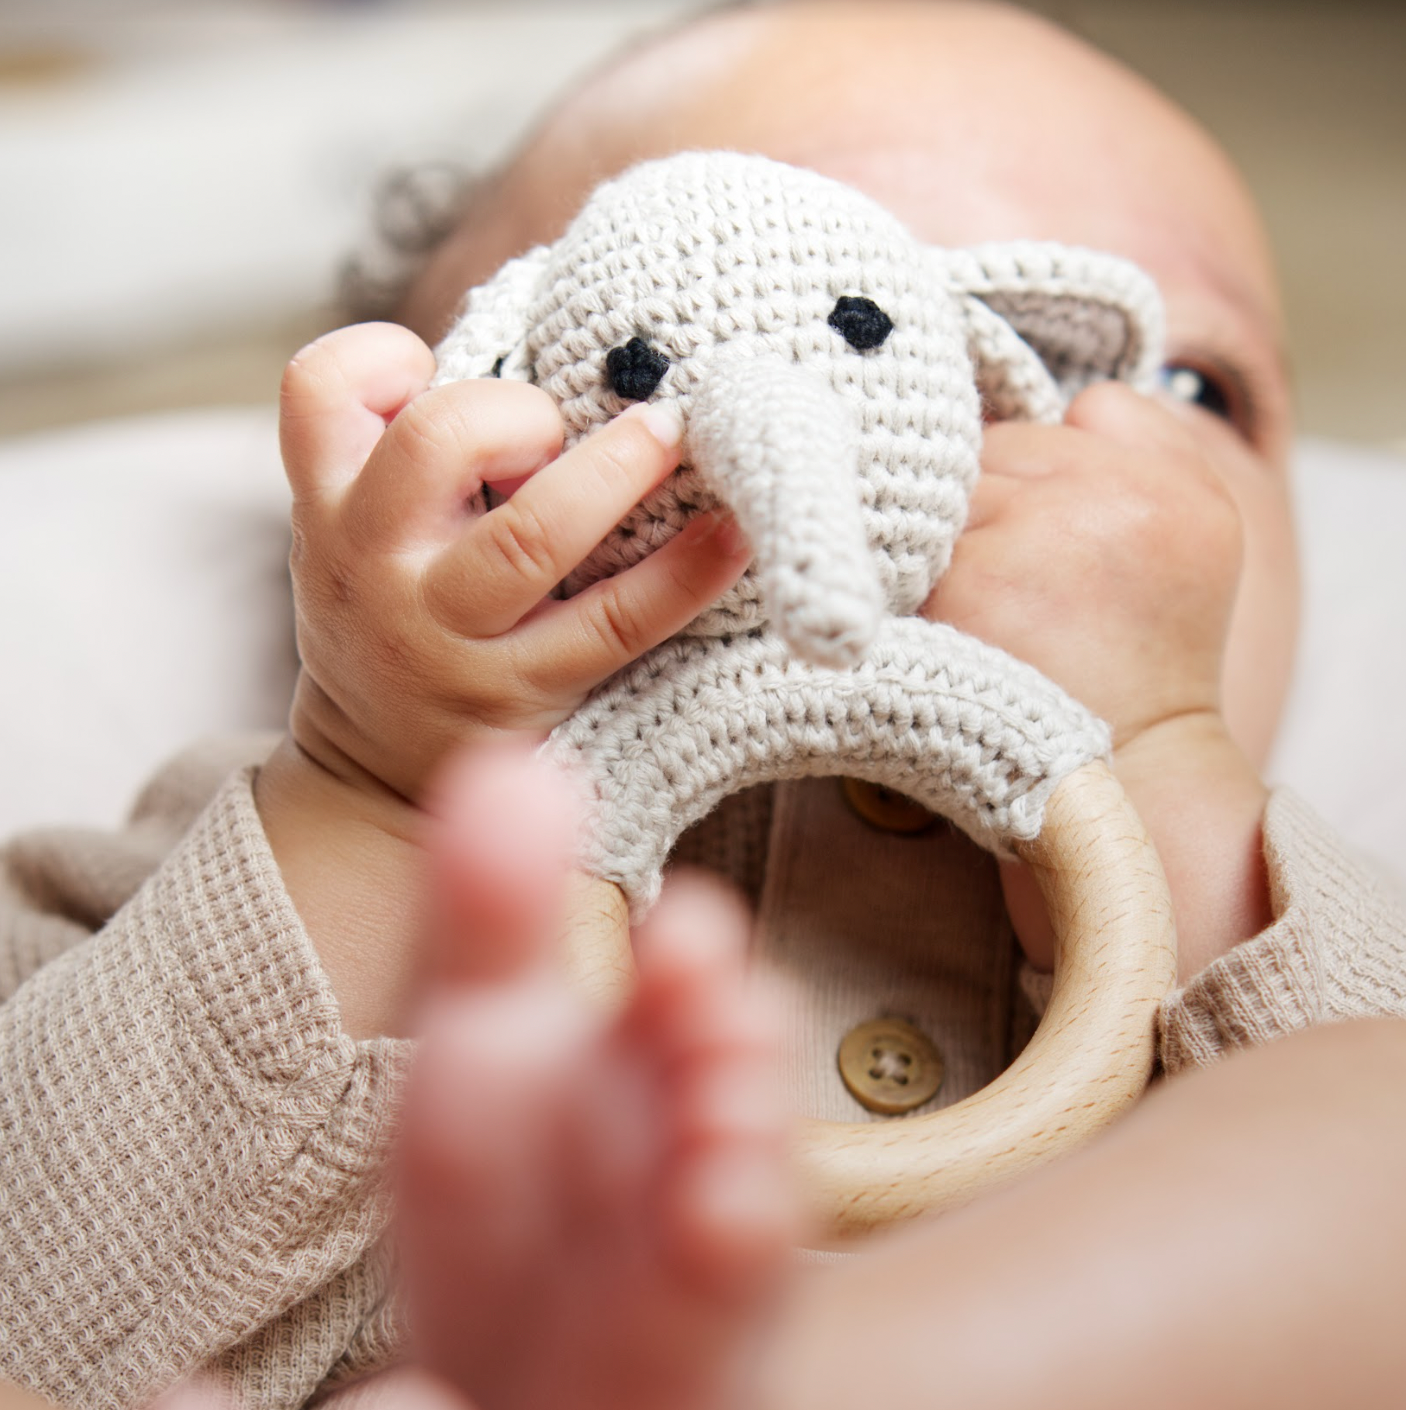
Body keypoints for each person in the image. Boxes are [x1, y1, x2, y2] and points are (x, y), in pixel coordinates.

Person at [3, 2, 1404, 1408]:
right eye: (652, 349)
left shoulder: (1325, 920)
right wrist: (380, 795)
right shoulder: (250, 862)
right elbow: (34, 1324)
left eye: (1186, 388)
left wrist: (1167, 773)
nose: (986, 440)